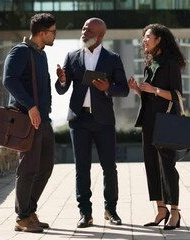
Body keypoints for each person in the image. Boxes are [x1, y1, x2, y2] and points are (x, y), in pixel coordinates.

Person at [55, 17, 129, 228]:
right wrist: (61, 79)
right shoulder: (72, 56)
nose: (84, 32)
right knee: (81, 168)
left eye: (89, 30)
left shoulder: (112, 58)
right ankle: (85, 213)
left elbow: (123, 89)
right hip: (79, 119)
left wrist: (108, 87)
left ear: (101, 35)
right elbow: (62, 88)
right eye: (83, 29)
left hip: (104, 121)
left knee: (109, 167)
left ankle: (111, 210)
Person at [128, 23, 186, 230]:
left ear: (159, 39)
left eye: (148, 37)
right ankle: (161, 209)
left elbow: (177, 95)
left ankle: (175, 212)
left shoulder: (170, 63)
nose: (144, 40)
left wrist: (154, 89)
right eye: (143, 37)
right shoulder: (149, 63)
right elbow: (149, 96)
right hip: (149, 121)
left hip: (166, 121)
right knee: (151, 164)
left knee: (168, 166)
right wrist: (138, 90)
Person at [2, 13, 56, 233]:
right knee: (28, 168)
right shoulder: (20, 51)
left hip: (43, 120)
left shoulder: (40, 55)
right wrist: (31, 106)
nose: (55, 36)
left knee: (45, 167)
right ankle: (22, 217)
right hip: (27, 119)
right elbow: (9, 80)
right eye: (53, 32)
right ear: (41, 33)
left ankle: (29, 210)